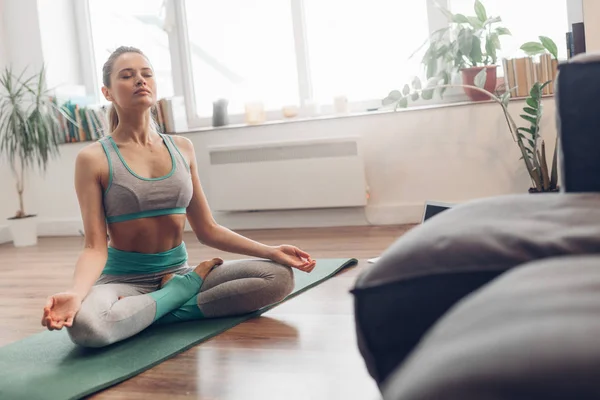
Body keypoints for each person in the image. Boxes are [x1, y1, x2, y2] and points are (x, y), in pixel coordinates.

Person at [40, 46, 316, 348]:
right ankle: (179, 293)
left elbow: (207, 229)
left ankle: (148, 310)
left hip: (178, 270)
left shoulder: (182, 148)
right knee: (86, 328)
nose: (140, 80)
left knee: (277, 277)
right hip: (123, 281)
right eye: (127, 75)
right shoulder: (93, 158)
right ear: (107, 92)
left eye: (146, 74)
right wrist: (78, 294)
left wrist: (270, 251)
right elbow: (94, 246)